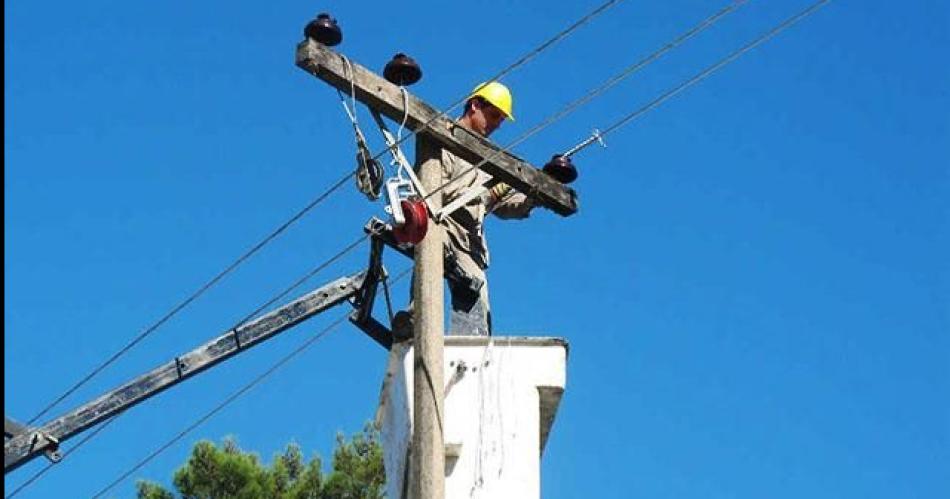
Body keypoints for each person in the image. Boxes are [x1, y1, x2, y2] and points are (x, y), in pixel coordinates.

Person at [394, 81, 555, 337]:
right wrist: (479, 195)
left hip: (470, 242)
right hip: (441, 224)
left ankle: (473, 347)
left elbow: (506, 207)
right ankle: (414, 319)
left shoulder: (488, 158)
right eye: (493, 116)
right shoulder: (441, 138)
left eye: (500, 121)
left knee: (478, 303)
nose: (495, 125)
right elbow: (428, 191)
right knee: (431, 256)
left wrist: (534, 195)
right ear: (475, 105)